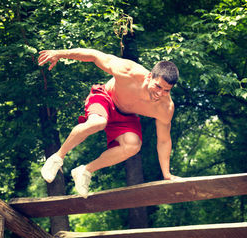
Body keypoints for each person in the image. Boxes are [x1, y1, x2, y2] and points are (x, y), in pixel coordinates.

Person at [38, 48, 179, 198]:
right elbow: (95, 56)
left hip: (126, 116)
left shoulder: (165, 108)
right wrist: (60, 54)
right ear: (149, 77)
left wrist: (167, 174)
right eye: (158, 86)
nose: (160, 93)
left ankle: (85, 171)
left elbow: (164, 140)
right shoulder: (128, 71)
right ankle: (57, 158)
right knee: (98, 122)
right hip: (105, 98)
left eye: (166, 90)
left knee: (133, 145)